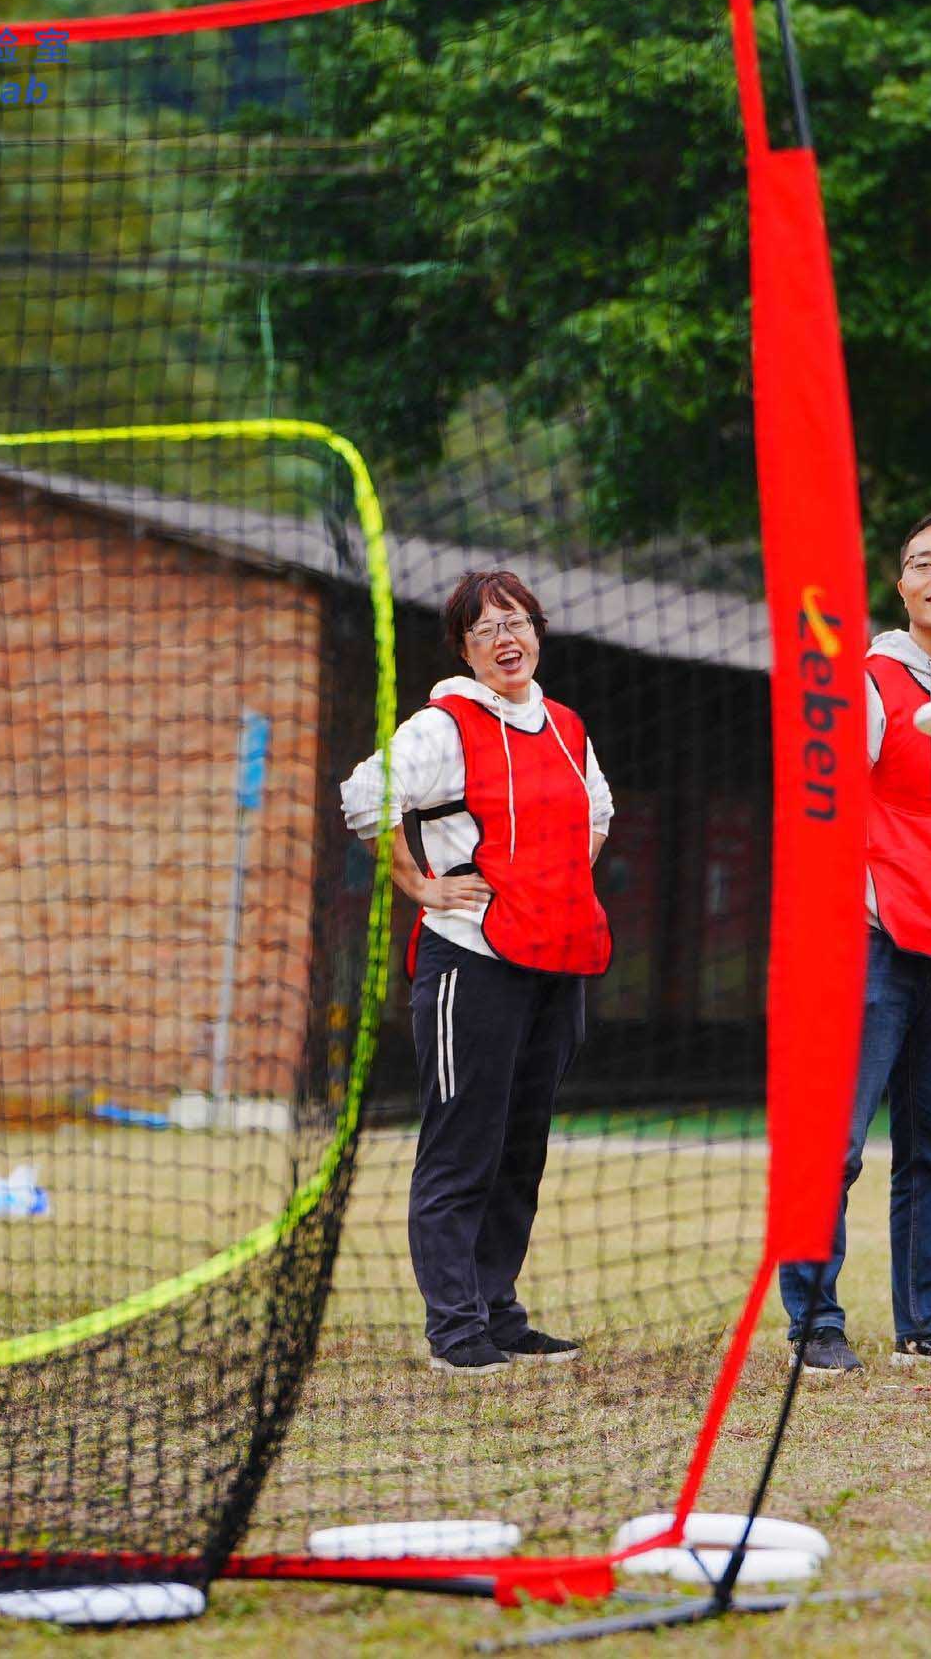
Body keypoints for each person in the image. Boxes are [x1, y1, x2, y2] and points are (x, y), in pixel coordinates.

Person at [339, 568, 613, 1375]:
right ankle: (455, 1330)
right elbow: (365, 794)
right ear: (463, 649)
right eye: (485, 629)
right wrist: (418, 883)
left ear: (538, 632)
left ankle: (499, 1313)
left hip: (555, 964)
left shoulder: (565, 725)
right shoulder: (445, 726)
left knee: (521, 1148)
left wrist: (554, 888)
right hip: (471, 961)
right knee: (463, 1144)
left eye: (516, 622)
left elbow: (597, 813)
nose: (505, 639)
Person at [778, 512, 931, 1375]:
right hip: (869, 947)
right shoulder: (863, 685)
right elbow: (823, 816)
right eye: (925, 563)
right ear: (902, 586)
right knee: (833, 1147)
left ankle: (929, 1323)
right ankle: (814, 1323)